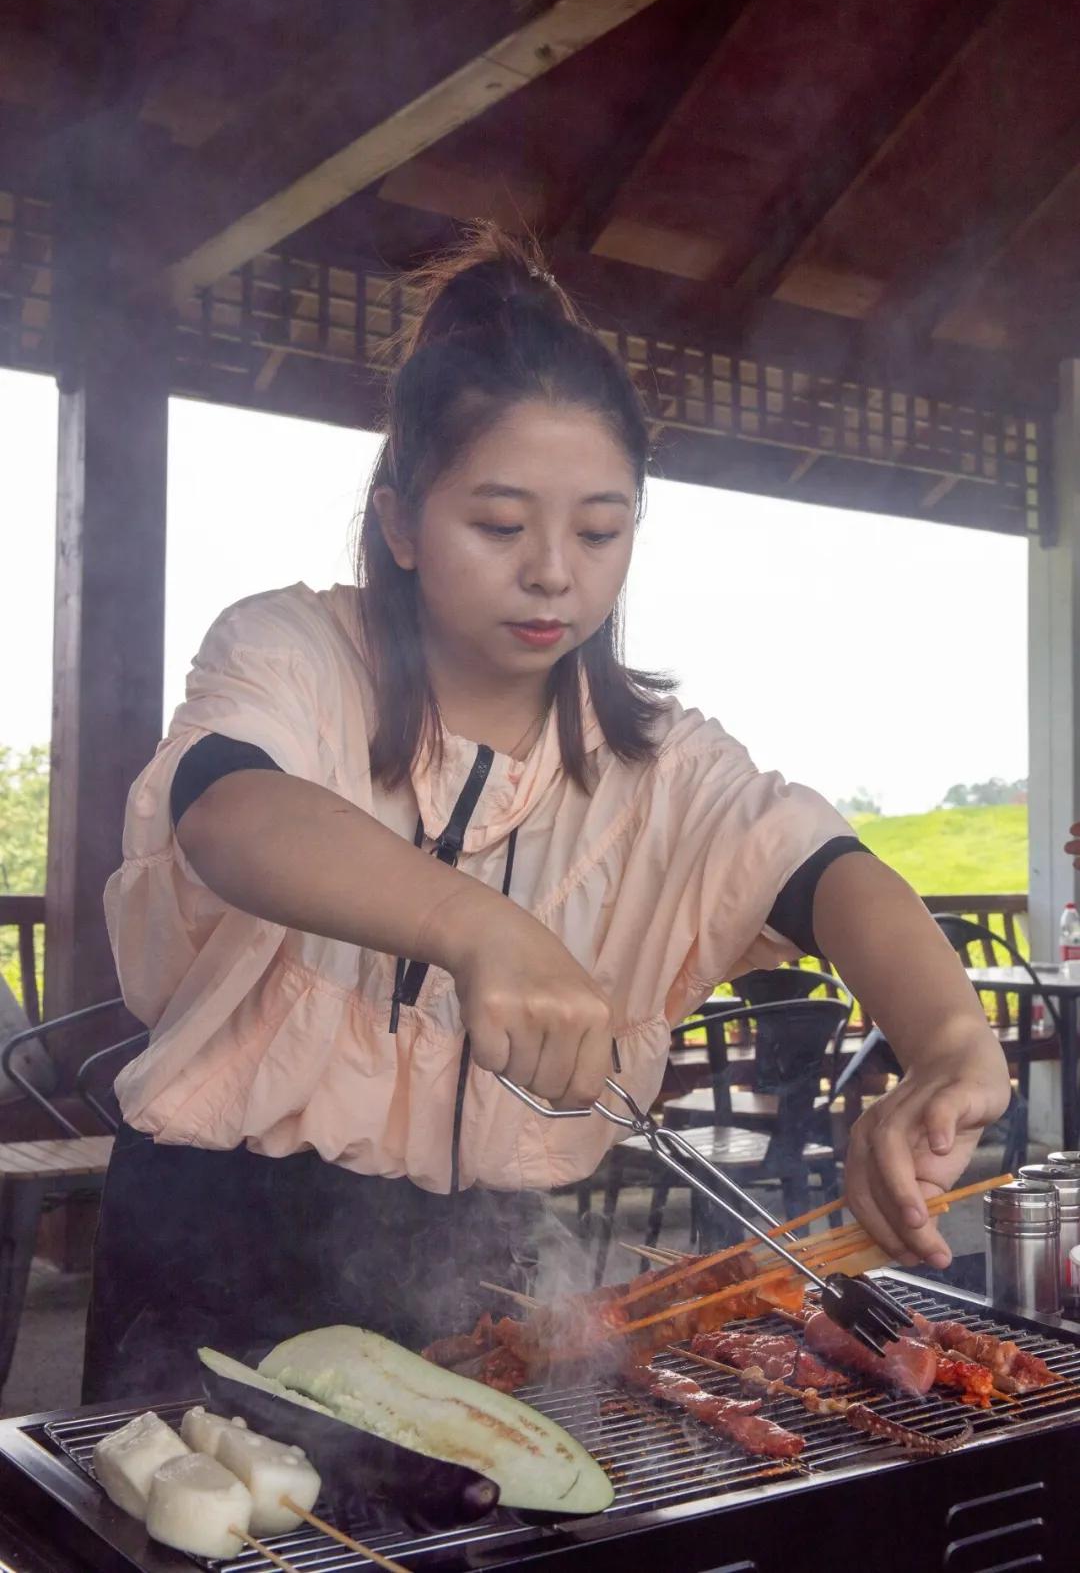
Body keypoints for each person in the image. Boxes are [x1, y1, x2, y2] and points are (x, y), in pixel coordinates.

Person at [83, 226, 1010, 1400]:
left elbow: (831, 872)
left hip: (483, 1276)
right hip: (214, 1246)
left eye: (600, 530)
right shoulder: (295, 652)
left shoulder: (662, 765)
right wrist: (482, 926)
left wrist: (952, 1047)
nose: (554, 573)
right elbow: (230, 810)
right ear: (400, 524)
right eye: (500, 525)